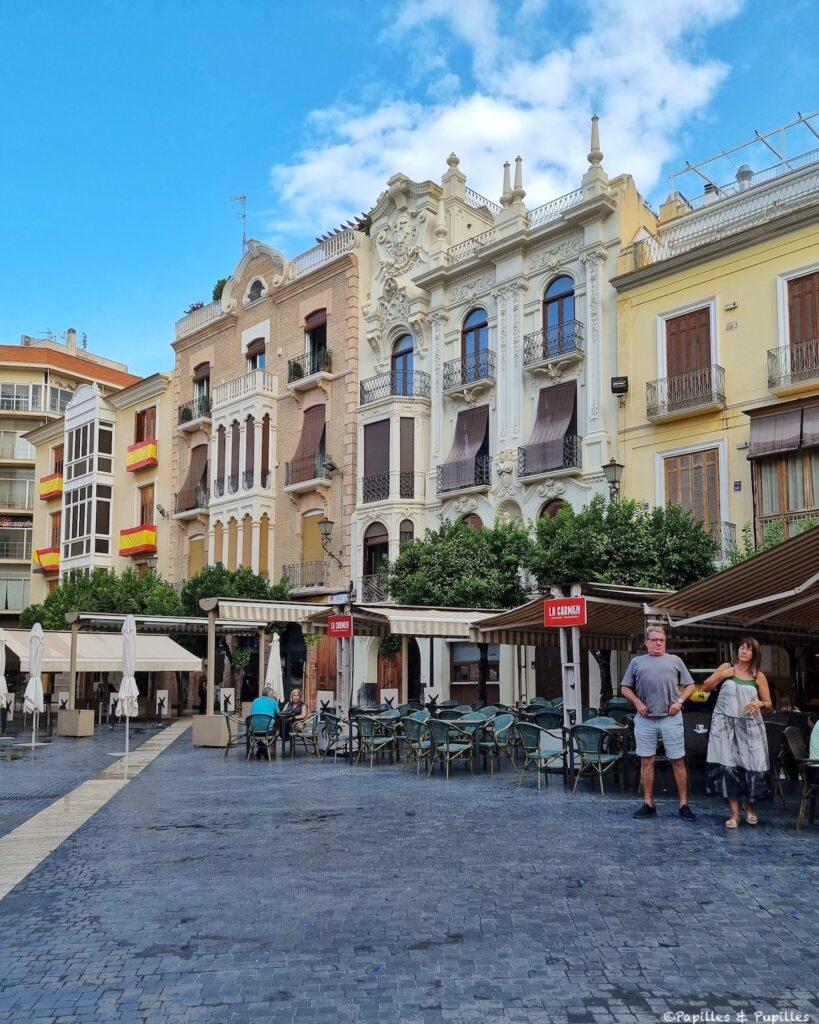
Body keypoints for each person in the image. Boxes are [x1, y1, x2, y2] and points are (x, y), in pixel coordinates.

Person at [621, 625, 697, 821]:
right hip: (645, 719)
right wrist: (637, 703)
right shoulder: (637, 662)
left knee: (678, 760)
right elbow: (625, 688)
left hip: (670, 718)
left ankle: (684, 804)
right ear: (646, 642)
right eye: (654, 640)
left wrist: (679, 702)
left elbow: (690, 686)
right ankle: (648, 803)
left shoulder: (675, 660)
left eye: (661, 640)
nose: (658, 643)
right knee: (646, 761)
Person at [702, 638, 772, 828]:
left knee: (751, 767)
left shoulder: (758, 676)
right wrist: (722, 674)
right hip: (724, 727)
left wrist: (760, 703)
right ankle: (734, 814)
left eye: (748, 649)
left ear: (754, 655)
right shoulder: (727, 667)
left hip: (750, 728)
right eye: (742, 647)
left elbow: (769, 704)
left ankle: (750, 808)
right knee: (729, 767)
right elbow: (706, 687)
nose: (744, 651)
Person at [249, 687, 280, 759]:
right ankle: (265, 748)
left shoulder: (255, 701)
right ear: (269, 695)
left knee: (253, 731)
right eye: (272, 694)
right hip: (267, 731)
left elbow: (251, 713)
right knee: (278, 729)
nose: (273, 696)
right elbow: (278, 713)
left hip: (253, 731)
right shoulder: (273, 701)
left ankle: (261, 748)